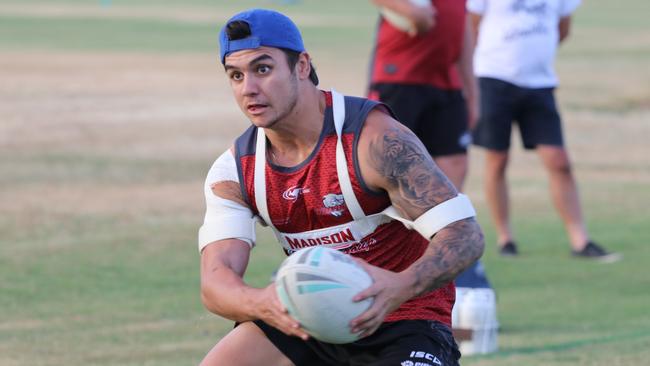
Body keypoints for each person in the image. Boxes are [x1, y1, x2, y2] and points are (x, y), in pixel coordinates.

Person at [198, 8, 485, 366]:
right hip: (307, 322)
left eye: (263, 69)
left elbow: (465, 235)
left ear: (302, 65)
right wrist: (263, 303)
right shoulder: (236, 171)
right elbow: (216, 282)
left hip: (404, 321)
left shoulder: (374, 141)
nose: (249, 89)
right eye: (236, 75)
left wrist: (400, 287)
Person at [467, 0, 620, 261]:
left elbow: (563, 26)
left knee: (558, 160)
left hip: (539, 82)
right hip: (494, 78)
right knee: (498, 159)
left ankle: (579, 240)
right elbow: (472, 27)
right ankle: (506, 239)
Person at [368, 0, 479, 189]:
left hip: (447, 80)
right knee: (393, 163)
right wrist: (407, 9)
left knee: (454, 162)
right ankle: (399, 219)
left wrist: (472, 91)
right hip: (400, 77)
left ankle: (447, 218)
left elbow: (462, 23)